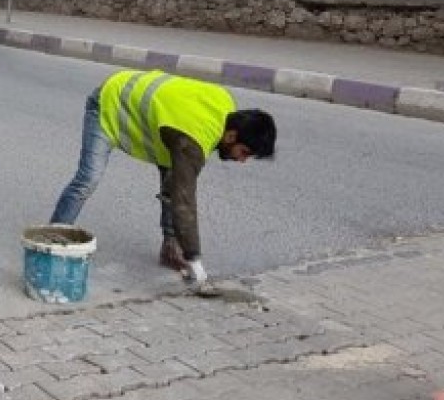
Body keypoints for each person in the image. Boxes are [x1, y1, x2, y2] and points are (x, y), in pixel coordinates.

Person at [48, 69, 277, 296]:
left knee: (173, 182)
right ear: (231, 136)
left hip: (157, 120)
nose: (242, 160)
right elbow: (184, 202)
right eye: (244, 152)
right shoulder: (194, 138)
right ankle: (51, 241)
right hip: (108, 103)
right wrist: (195, 262)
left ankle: (170, 249)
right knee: (87, 180)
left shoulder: (224, 105)